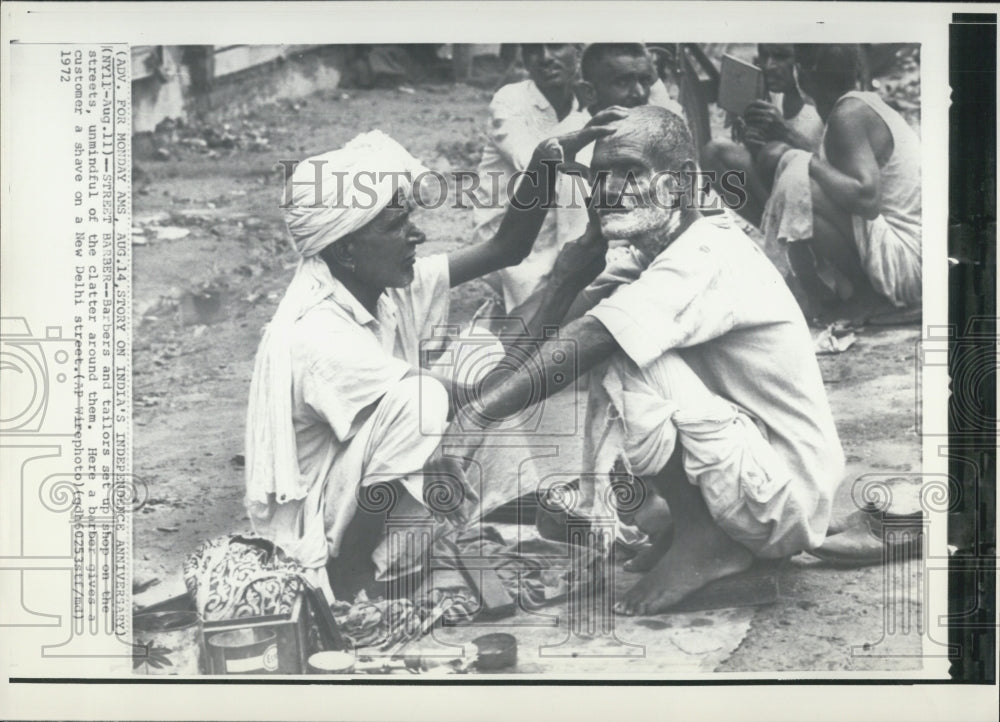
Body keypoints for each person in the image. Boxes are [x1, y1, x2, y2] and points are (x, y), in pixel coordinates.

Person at [454, 106, 847, 614]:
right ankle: (692, 524)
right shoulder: (651, 250)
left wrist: (476, 416)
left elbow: (592, 336)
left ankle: (708, 539)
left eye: (630, 173)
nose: (610, 191)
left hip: (782, 498)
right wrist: (569, 271)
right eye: (599, 178)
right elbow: (516, 351)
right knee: (593, 340)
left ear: (682, 182)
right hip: (758, 477)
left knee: (616, 346)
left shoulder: (705, 253)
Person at [245, 122, 614, 603]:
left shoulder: (374, 282)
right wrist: (562, 286)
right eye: (397, 225)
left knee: (470, 358)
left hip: (355, 485)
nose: (416, 234)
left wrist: (544, 166)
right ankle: (352, 578)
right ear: (346, 248)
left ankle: (514, 509)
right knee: (426, 397)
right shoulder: (318, 332)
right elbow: (486, 399)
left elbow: (507, 248)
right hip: (316, 524)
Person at [758, 44, 921, 320]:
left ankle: (866, 295)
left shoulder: (849, 114)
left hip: (908, 265)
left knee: (803, 185)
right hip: (917, 256)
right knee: (800, 172)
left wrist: (808, 162)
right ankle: (855, 293)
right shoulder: (855, 105)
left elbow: (867, 199)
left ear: (801, 74)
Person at [472, 43, 592, 312]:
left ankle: (575, 268)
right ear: (525, 60)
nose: (546, 58)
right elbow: (537, 166)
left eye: (557, 46)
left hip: (564, 224)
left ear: (578, 53)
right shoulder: (510, 100)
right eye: (534, 50)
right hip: (512, 234)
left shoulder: (584, 104)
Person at [701, 44, 825, 226]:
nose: (769, 66)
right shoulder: (776, 96)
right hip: (783, 192)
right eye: (764, 57)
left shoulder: (822, 103)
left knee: (775, 153)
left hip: (820, 203)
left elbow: (837, 174)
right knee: (715, 152)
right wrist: (754, 142)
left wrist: (786, 134)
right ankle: (770, 230)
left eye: (781, 57)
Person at [577, 43, 685, 118]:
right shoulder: (568, 142)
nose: (641, 93)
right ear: (589, 92)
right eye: (622, 82)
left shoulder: (651, 127)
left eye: (645, 81)